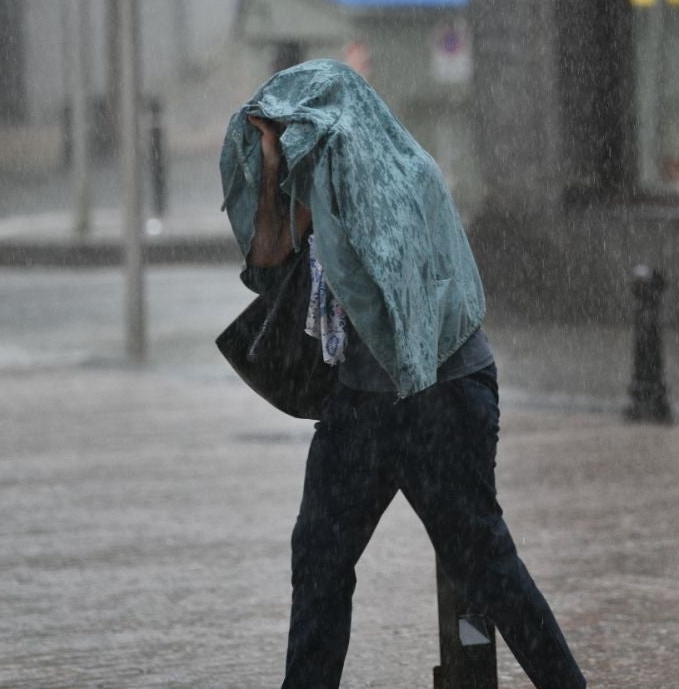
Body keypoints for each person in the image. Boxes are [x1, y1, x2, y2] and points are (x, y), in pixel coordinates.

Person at [219, 60, 586, 689]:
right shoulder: (318, 181)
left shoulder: (401, 175)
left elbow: (408, 292)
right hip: (363, 402)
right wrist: (274, 167)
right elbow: (269, 255)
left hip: (441, 394)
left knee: (485, 564)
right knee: (319, 557)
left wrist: (415, 398)